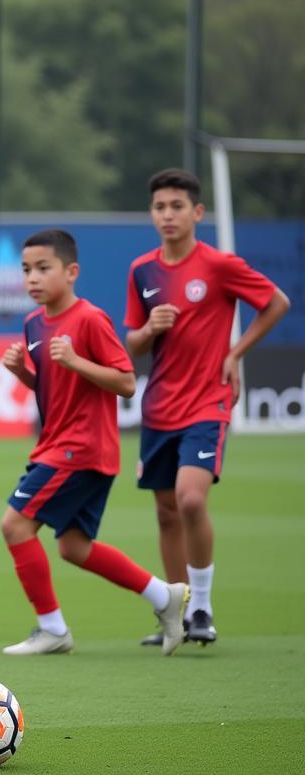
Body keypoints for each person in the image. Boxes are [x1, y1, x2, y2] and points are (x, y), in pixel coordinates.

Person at [0, 229, 188, 656]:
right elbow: (55, 390)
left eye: (43, 268)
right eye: (27, 270)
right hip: (62, 446)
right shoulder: (33, 323)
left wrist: (77, 359)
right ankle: (165, 597)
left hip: (80, 449)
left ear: (72, 272)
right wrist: (22, 374)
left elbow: (124, 382)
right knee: (73, 547)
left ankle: (52, 629)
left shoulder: (89, 319)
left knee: (14, 525)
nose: (33, 278)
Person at [126, 169, 289, 647]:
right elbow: (133, 344)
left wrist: (235, 354)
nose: (168, 215)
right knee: (165, 513)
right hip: (158, 406)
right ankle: (174, 615)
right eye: (160, 207)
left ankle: (202, 607)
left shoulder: (219, 265)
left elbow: (276, 302)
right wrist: (150, 328)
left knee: (191, 499)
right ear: (152, 213)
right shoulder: (142, 270)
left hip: (208, 401)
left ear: (197, 212)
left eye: (178, 206)